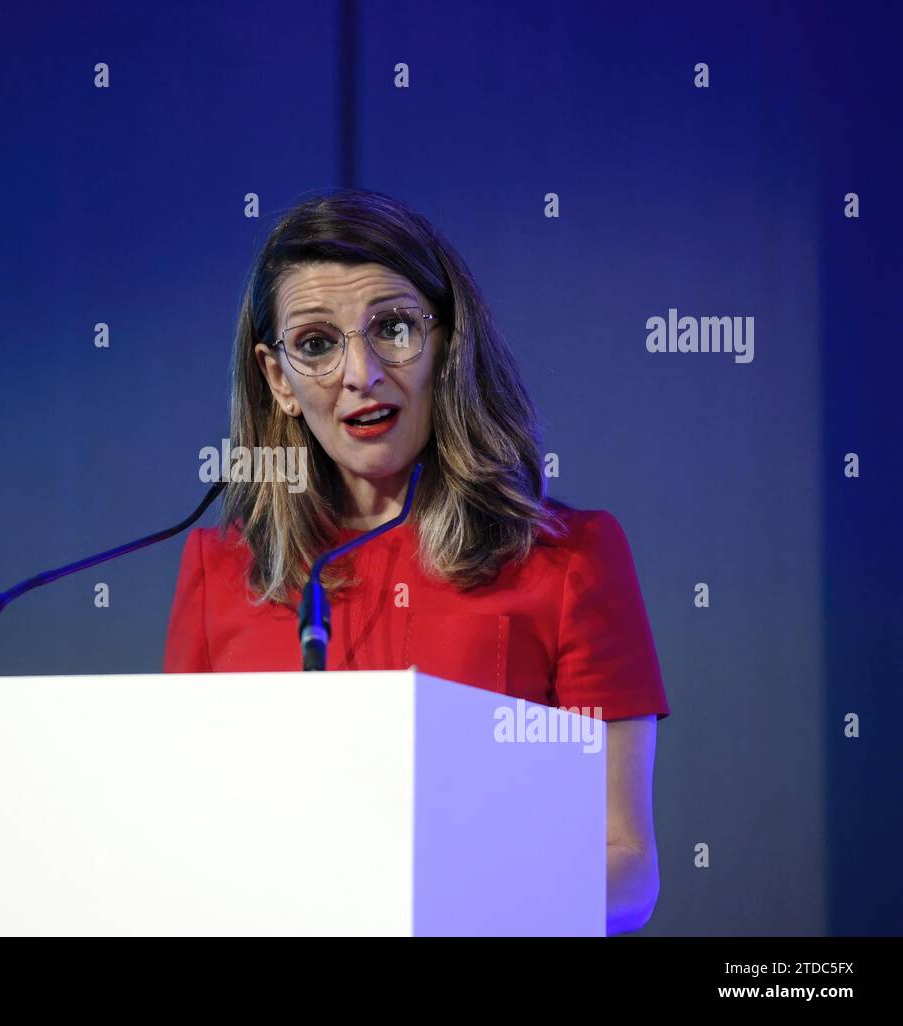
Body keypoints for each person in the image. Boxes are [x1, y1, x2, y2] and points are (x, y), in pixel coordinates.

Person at [163, 188, 670, 935]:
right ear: (279, 380)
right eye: (315, 343)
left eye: (393, 328)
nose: (361, 372)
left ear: (446, 343)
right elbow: (181, 852)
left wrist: (443, 913)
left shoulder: (572, 560)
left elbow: (626, 866)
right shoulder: (218, 571)